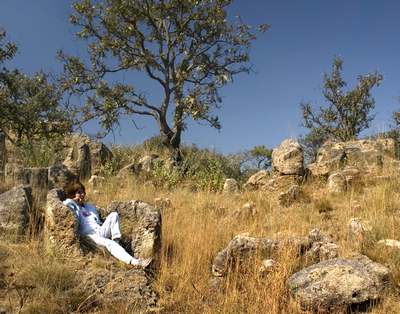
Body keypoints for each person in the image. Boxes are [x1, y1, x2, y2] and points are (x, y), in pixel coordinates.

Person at [63, 182, 151, 268]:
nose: (82, 194)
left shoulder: (89, 207)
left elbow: (98, 218)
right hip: (89, 235)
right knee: (110, 244)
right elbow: (65, 204)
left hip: (99, 230)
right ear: (73, 194)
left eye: (83, 192)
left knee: (114, 215)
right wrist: (73, 201)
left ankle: (117, 242)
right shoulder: (73, 206)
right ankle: (136, 262)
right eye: (79, 192)